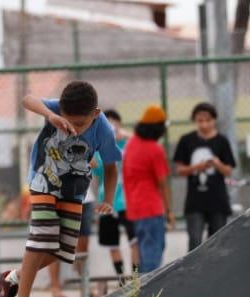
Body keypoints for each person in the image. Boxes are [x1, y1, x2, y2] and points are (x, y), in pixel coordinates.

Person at [0, 81, 121, 297]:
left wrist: (108, 197)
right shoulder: (56, 110)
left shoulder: (103, 128)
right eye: (67, 119)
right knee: (42, 239)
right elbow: (27, 98)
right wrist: (50, 115)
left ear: (95, 113)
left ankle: (10, 279)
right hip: (43, 179)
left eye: (80, 124)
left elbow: (111, 167)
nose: (73, 127)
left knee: (63, 250)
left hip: (74, 189)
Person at [173, 102, 237, 251]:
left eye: (208, 120)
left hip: (218, 199)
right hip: (195, 201)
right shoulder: (186, 140)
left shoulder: (222, 141)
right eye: (200, 121)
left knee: (218, 242)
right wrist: (197, 167)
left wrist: (216, 164)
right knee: (195, 241)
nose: (204, 124)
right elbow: (180, 170)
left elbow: (228, 170)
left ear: (214, 120)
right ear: (195, 121)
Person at [122, 105, 173, 272]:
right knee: (153, 255)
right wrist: (170, 211)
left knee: (144, 252)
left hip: (134, 209)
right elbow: (163, 183)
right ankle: (147, 295)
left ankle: (141, 292)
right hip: (151, 208)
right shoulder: (154, 149)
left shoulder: (131, 144)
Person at [94, 109, 137, 275]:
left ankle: (136, 278)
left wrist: (127, 136)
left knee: (135, 241)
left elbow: (144, 145)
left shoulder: (129, 144)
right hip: (107, 201)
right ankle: (121, 280)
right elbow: (97, 172)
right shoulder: (98, 149)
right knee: (112, 243)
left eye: (114, 122)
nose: (111, 126)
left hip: (128, 201)